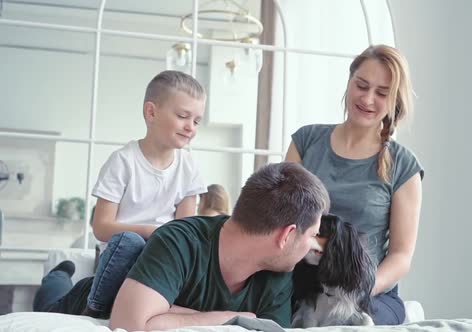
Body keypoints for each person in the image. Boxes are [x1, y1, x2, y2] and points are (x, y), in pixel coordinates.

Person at [32, 162, 330, 330]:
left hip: (139, 295)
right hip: (88, 299)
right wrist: (230, 318)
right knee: (50, 298)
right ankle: (57, 275)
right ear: (286, 235)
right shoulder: (180, 240)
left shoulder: (278, 274)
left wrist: (168, 312)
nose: (311, 247)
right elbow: (130, 324)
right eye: (311, 235)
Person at [36, 70, 208, 318]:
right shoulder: (123, 161)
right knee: (129, 243)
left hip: (158, 261)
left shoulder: (189, 167)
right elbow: (102, 227)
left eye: (197, 121)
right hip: (117, 264)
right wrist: (151, 231)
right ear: (151, 112)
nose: (190, 127)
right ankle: (64, 281)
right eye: (183, 116)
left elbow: (183, 231)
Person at [285, 44, 424, 325]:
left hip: (368, 291)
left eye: (382, 93)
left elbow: (401, 255)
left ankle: (405, 312)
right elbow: (283, 219)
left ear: (394, 100)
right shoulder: (306, 142)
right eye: (361, 85)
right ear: (349, 82)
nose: (368, 99)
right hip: (300, 283)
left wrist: (360, 290)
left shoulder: (404, 166)